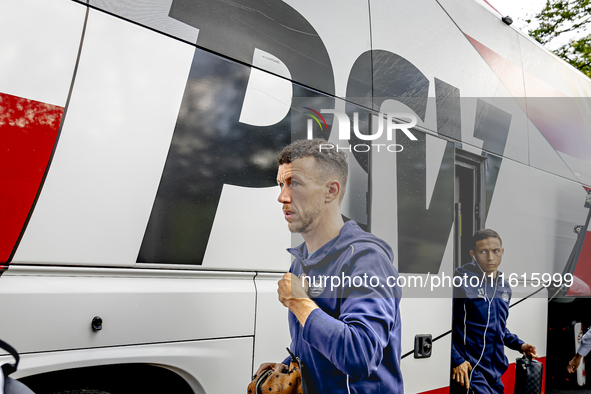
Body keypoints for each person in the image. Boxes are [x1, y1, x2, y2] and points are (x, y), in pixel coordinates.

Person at [255, 138, 403, 393]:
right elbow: (320, 349)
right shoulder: (301, 263)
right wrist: (289, 364)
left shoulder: (367, 260)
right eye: (281, 184)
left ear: (331, 191)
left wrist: (299, 304)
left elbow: (359, 356)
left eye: (295, 184)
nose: (282, 196)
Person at [450, 229, 538, 393]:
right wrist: (456, 360)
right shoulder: (461, 284)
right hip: (471, 371)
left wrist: (520, 345)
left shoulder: (504, 287)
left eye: (495, 251)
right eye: (483, 251)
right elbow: (446, 327)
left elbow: (498, 327)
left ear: (502, 252)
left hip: (495, 374)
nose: (490, 257)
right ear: (473, 254)